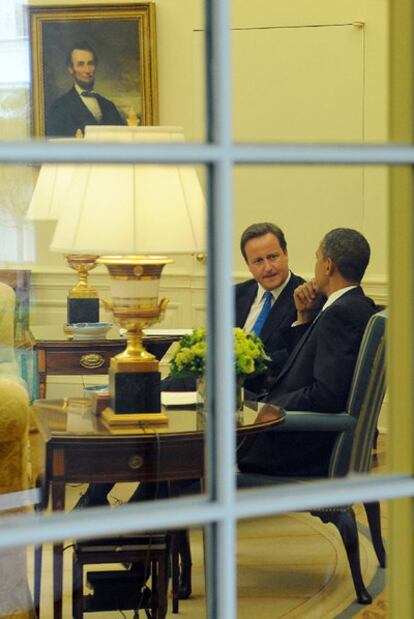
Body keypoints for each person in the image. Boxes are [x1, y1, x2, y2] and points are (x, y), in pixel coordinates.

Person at [238, 227, 377, 477]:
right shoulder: (356, 305)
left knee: (186, 452)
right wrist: (304, 318)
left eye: (316, 257)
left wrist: (266, 407)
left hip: (291, 447)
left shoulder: (340, 314)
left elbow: (327, 394)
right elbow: (311, 367)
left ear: (328, 266)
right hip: (296, 436)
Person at [46, 41, 125, 137]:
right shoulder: (59, 108)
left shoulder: (109, 106)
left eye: (90, 64)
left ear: (95, 66)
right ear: (71, 69)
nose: (87, 70)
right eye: (81, 64)